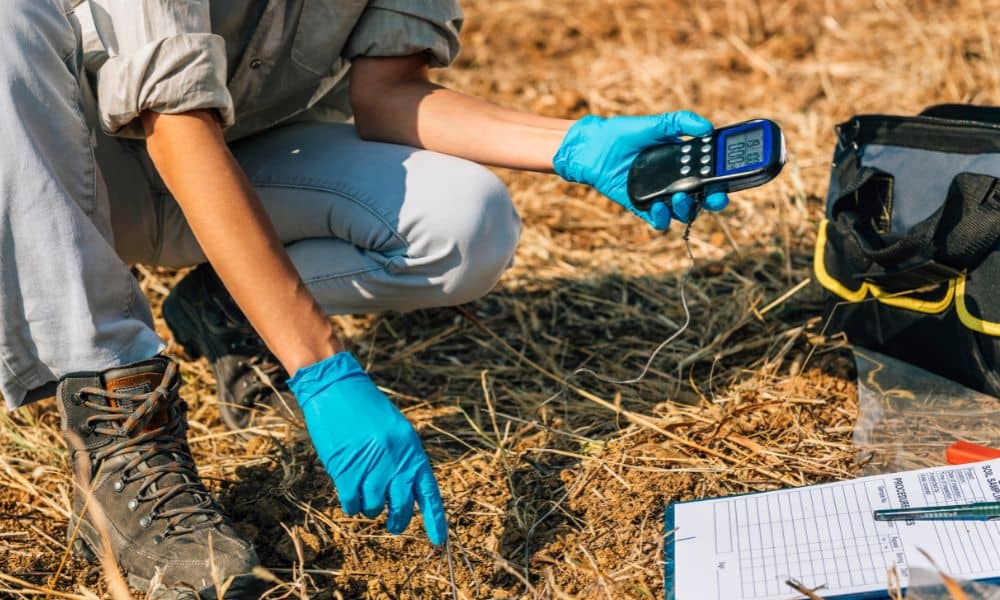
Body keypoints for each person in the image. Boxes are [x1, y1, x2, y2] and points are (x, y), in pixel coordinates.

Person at [0, 0, 729, 596]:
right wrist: (322, 368)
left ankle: (231, 302)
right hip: (82, 166)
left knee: (464, 223)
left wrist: (575, 143)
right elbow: (175, 124)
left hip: (242, 159)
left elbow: (390, 96)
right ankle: (118, 432)